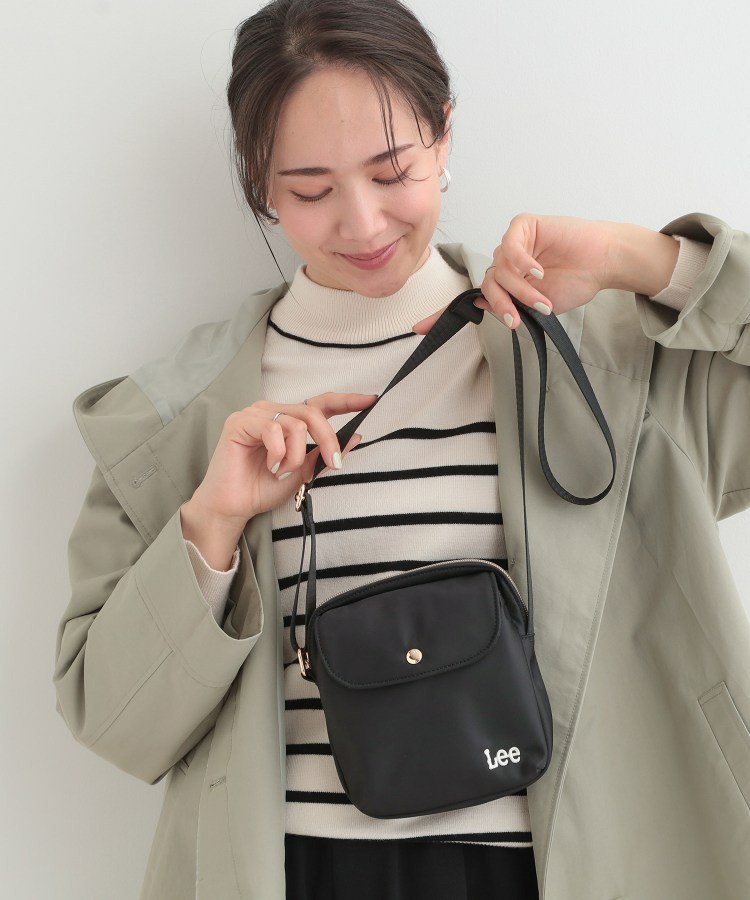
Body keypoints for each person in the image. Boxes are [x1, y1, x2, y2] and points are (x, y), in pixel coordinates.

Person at [53, 0, 750, 898]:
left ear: (443, 135)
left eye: (393, 171)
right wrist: (211, 525)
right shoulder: (174, 422)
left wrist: (645, 261)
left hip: (567, 870)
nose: (363, 223)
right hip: (299, 871)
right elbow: (114, 722)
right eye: (311, 190)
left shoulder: (604, 361)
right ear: (259, 182)